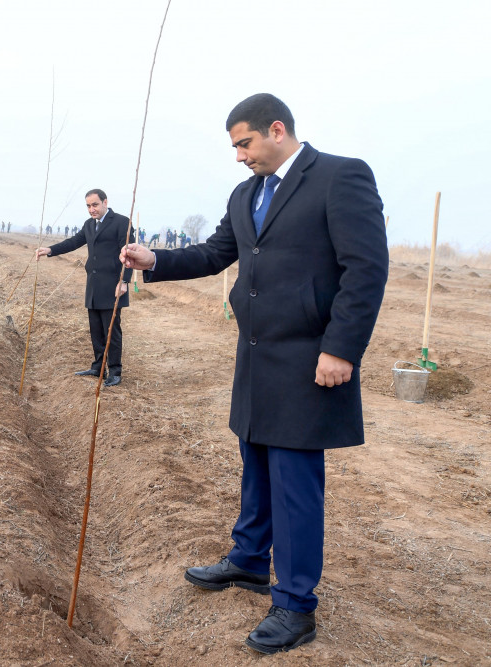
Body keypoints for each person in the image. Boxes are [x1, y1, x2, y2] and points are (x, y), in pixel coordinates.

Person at [121, 94, 387, 654]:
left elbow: (365, 268)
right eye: (234, 147)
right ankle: (247, 561)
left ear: (276, 129)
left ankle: (294, 605)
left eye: (244, 144)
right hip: (256, 354)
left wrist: (341, 348)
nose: (239, 157)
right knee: (256, 464)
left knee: (294, 483)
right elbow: (218, 253)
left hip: (310, 357)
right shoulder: (246, 194)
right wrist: (156, 261)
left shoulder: (340, 177)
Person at [35, 188, 133, 387]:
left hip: (113, 285)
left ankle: (114, 371)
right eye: (88, 206)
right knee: (95, 329)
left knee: (111, 329)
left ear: (105, 202)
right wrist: (50, 250)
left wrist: (124, 282)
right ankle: (98, 367)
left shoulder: (122, 223)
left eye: (95, 205)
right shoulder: (89, 225)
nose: (91, 209)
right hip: (94, 285)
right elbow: (74, 242)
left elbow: (129, 253)